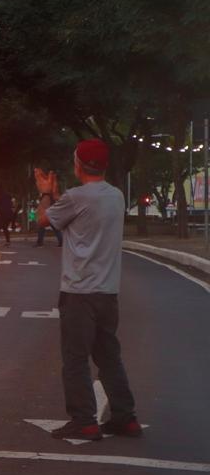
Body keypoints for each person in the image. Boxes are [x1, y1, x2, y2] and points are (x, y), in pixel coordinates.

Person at [35, 139, 140, 441]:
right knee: (109, 357)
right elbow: (77, 219)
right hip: (108, 292)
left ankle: (84, 420)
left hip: (79, 293)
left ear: (78, 164)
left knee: (76, 359)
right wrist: (58, 196)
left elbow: (43, 220)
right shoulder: (116, 196)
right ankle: (125, 417)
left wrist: (45, 193)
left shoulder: (76, 197)